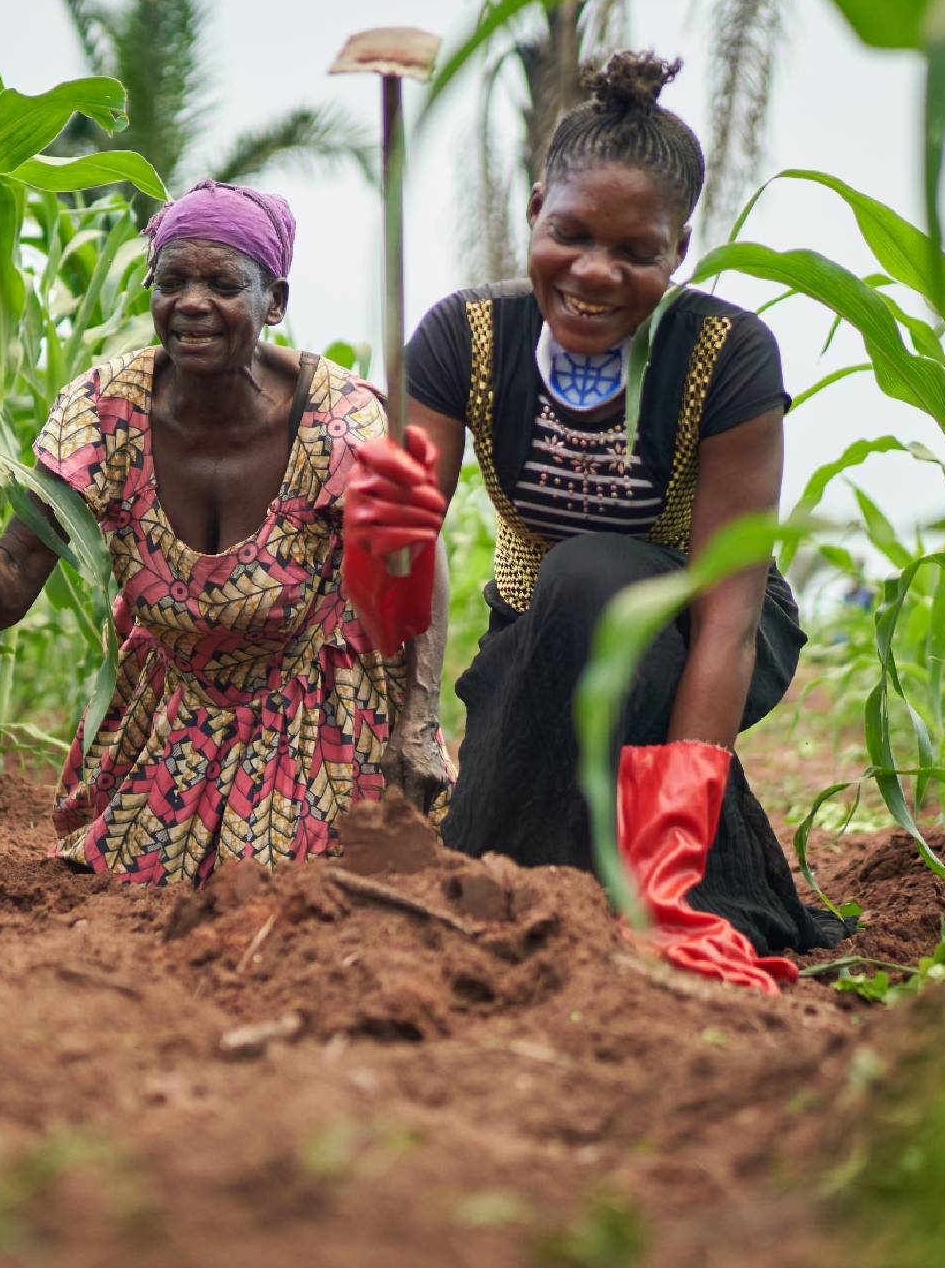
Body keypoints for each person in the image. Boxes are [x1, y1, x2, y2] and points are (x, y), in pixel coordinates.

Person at [343, 52, 849, 993]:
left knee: (588, 575)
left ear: (680, 248)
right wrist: (380, 541)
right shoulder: (464, 338)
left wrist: (666, 860)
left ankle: (663, 891)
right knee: (534, 678)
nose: (593, 273)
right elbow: (389, 596)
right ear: (533, 207)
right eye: (568, 234)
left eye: (635, 252)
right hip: (536, 623)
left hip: (707, 624)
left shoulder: (725, 355)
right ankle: (559, 896)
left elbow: (730, 617)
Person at [0, 180, 448, 885]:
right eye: (172, 280)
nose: (191, 302)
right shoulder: (101, 413)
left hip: (321, 711)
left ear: (274, 302)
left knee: (310, 891)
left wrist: (418, 728)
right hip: (175, 712)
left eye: (222, 283)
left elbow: (418, 563)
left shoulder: (342, 422)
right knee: (114, 883)